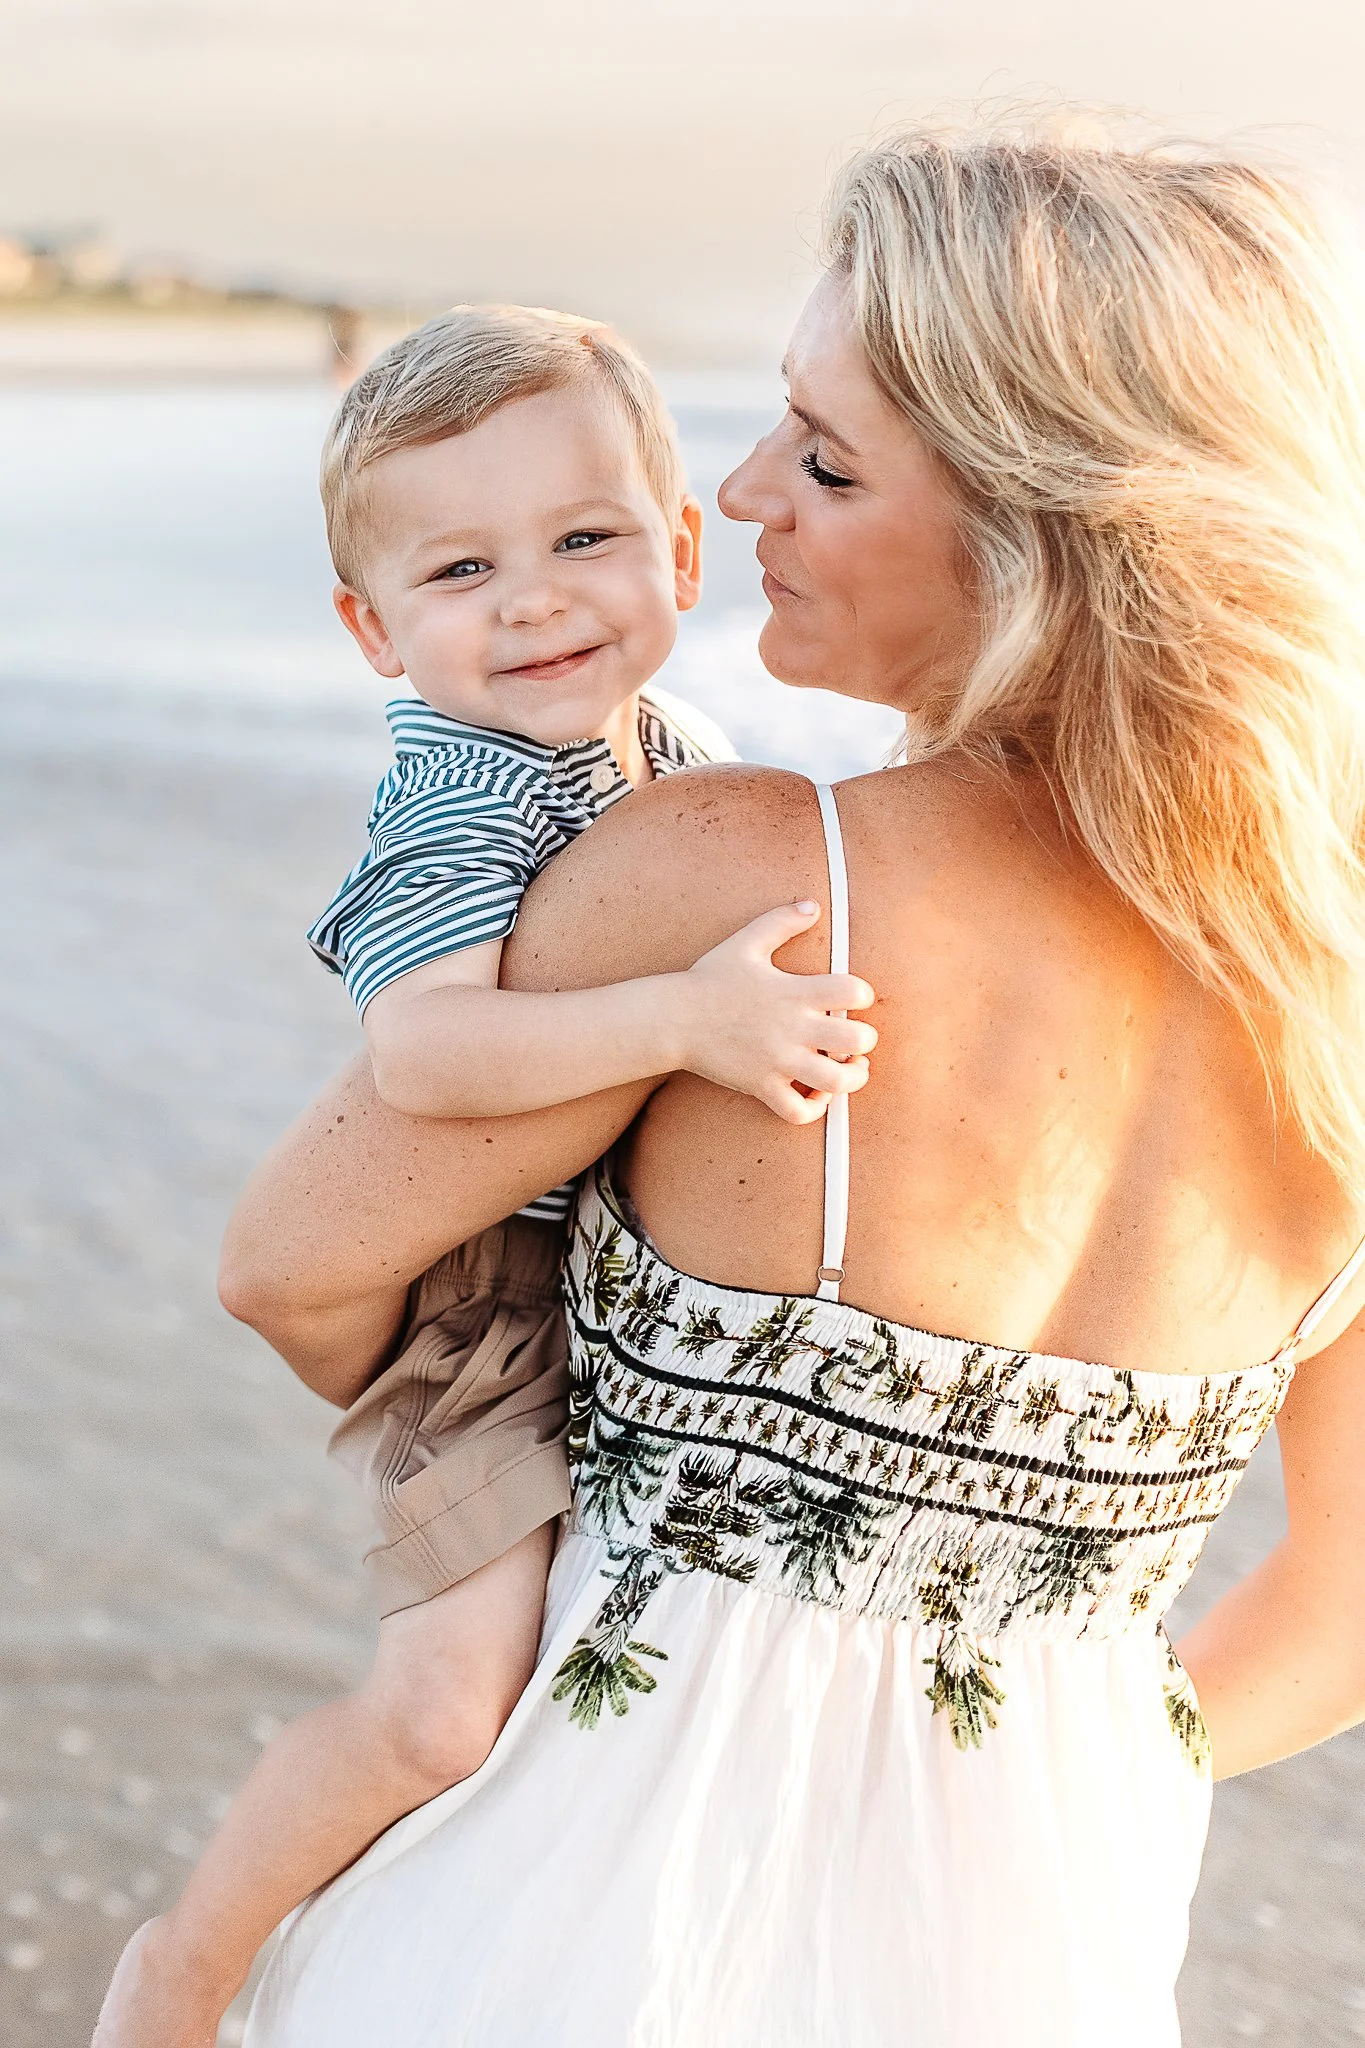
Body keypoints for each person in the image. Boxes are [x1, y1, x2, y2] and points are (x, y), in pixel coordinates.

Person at [207, 125, 1365, 2043]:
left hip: (573, 1928)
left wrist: (516, 1475)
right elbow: (1343, 1609)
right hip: (1044, 1967)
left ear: (1040, 528)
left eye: (824, 461)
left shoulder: (739, 872)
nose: (737, 495)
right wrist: (1024, 1763)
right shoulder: (1334, 985)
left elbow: (289, 1270)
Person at [92, 304, 876, 2047]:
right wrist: (687, 1019)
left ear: (681, 551)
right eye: (461, 571)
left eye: (584, 540)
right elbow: (427, 1058)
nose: (533, 603)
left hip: (612, 1279)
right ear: (374, 630)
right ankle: (188, 1963)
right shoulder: (465, 801)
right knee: (446, 1712)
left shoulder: (666, 746)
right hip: (488, 1306)